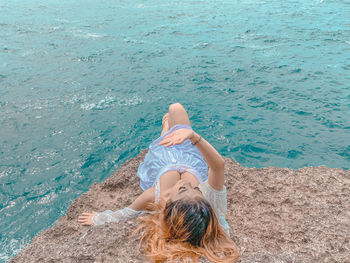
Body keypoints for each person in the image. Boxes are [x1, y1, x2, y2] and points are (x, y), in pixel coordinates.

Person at [78, 103, 239, 262]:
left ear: (168, 205)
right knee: (176, 108)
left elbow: (124, 213)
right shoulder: (210, 206)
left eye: (183, 189)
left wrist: (97, 219)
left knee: (167, 132)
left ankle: (165, 131)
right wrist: (193, 136)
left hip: (165, 158)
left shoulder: (154, 196)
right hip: (190, 154)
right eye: (197, 189)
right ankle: (168, 131)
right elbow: (218, 167)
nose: (190, 185)